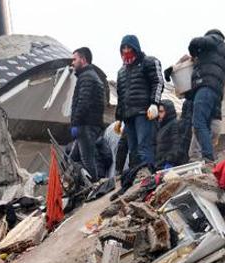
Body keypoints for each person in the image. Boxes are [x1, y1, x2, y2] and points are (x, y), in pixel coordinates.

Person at [114, 35, 164, 168]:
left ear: (135, 47)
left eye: (128, 47)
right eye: (123, 47)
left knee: (144, 146)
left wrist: (154, 103)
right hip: (128, 115)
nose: (126, 50)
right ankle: (136, 175)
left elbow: (158, 82)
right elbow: (120, 95)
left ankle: (147, 175)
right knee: (133, 150)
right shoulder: (121, 72)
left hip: (144, 112)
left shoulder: (149, 62)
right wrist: (119, 117)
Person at [188, 29, 225, 161]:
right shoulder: (220, 55)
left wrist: (194, 52)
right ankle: (207, 157)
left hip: (205, 86)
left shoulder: (216, 40)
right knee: (207, 124)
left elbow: (195, 42)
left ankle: (208, 158)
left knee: (199, 123)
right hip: (214, 90)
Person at [70, 47, 106, 181]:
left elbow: (83, 103)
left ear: (83, 60)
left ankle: (93, 187)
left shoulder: (87, 77)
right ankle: (84, 186)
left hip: (86, 125)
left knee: (87, 160)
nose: (72, 63)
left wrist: (75, 123)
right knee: (73, 158)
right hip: (88, 124)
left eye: (74, 59)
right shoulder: (89, 76)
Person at [154, 100, 186, 170]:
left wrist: (169, 161)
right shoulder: (162, 125)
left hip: (169, 164)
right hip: (161, 164)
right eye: (159, 111)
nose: (159, 114)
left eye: (161, 111)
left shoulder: (174, 125)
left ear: (168, 112)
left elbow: (176, 145)